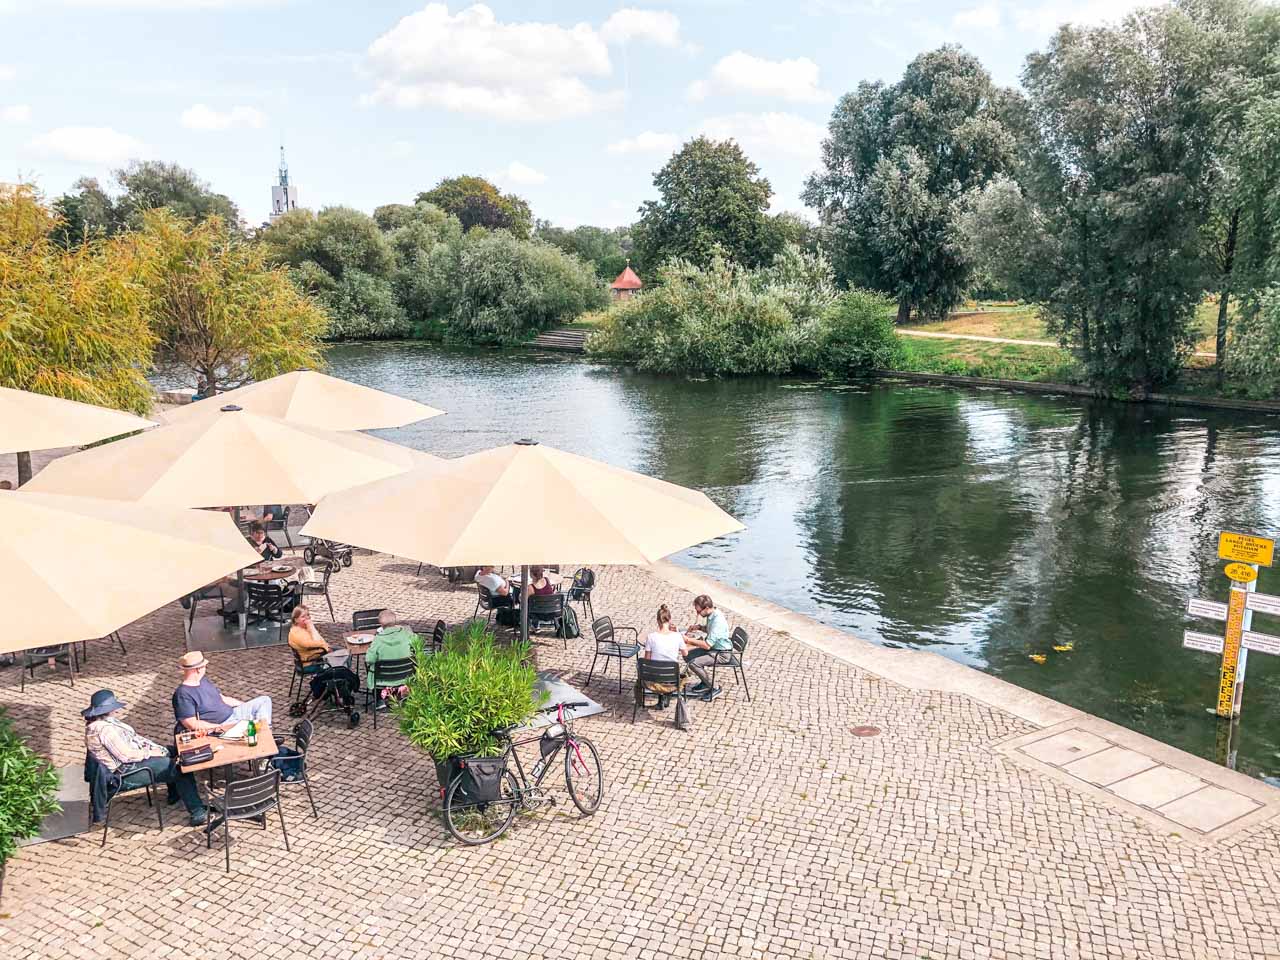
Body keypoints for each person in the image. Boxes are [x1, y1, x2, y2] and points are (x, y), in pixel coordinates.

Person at [84, 689, 208, 826]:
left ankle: (175, 793)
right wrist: (152, 753)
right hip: (124, 773)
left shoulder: (102, 724)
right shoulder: (104, 730)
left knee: (175, 751)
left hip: (126, 764)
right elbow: (127, 756)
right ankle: (197, 812)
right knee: (180, 766)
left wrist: (157, 749)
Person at [173, 651, 273, 733]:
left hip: (233, 714)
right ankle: (265, 735)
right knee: (258, 719)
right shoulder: (183, 694)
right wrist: (220, 728)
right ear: (198, 669)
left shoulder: (203, 680)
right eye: (204, 666)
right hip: (222, 724)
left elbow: (222, 698)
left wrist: (246, 706)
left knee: (264, 700)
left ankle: (265, 731)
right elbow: (192, 723)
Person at [640, 605, 714, 705]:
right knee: (682, 672)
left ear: (657, 620)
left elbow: (647, 660)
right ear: (670, 620)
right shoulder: (677, 636)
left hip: (654, 678)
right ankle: (667, 696)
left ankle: (657, 700)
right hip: (671, 678)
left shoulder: (650, 637)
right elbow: (685, 653)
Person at [288, 605, 357, 708]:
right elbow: (318, 642)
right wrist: (312, 627)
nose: (307, 619)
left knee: (344, 653)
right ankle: (342, 687)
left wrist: (325, 646)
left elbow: (322, 642)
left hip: (317, 655)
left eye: (308, 615)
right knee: (343, 658)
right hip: (312, 662)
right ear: (296, 619)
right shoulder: (298, 635)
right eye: (303, 616)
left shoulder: (302, 629)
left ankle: (340, 685)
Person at [683, 594, 727, 701]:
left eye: (699, 611)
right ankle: (705, 681)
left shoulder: (718, 621)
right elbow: (709, 630)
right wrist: (699, 627)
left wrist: (688, 640)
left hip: (720, 653)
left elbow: (707, 645)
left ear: (706, 608)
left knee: (694, 663)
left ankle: (715, 687)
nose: (697, 614)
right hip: (714, 648)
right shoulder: (712, 615)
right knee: (687, 654)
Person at [365, 610, 419, 690]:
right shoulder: (407, 635)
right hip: (406, 676)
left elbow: (369, 660)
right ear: (395, 621)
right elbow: (418, 645)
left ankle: (380, 699)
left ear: (381, 623)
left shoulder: (378, 640)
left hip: (383, 679)